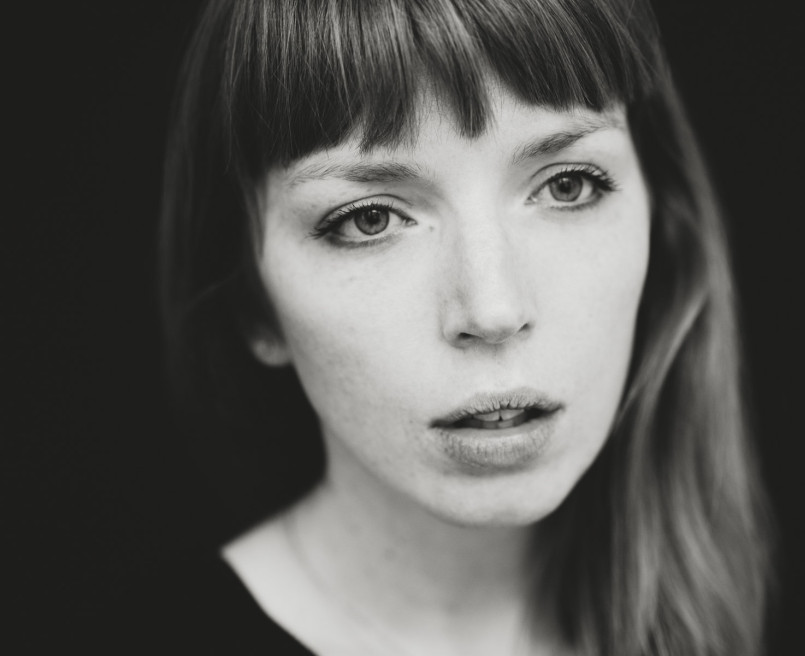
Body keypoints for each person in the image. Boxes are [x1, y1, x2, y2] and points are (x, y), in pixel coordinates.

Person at [155, 0, 772, 653]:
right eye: (369, 219)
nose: (493, 310)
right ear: (253, 303)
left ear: (663, 225)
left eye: (567, 185)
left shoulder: (777, 623)